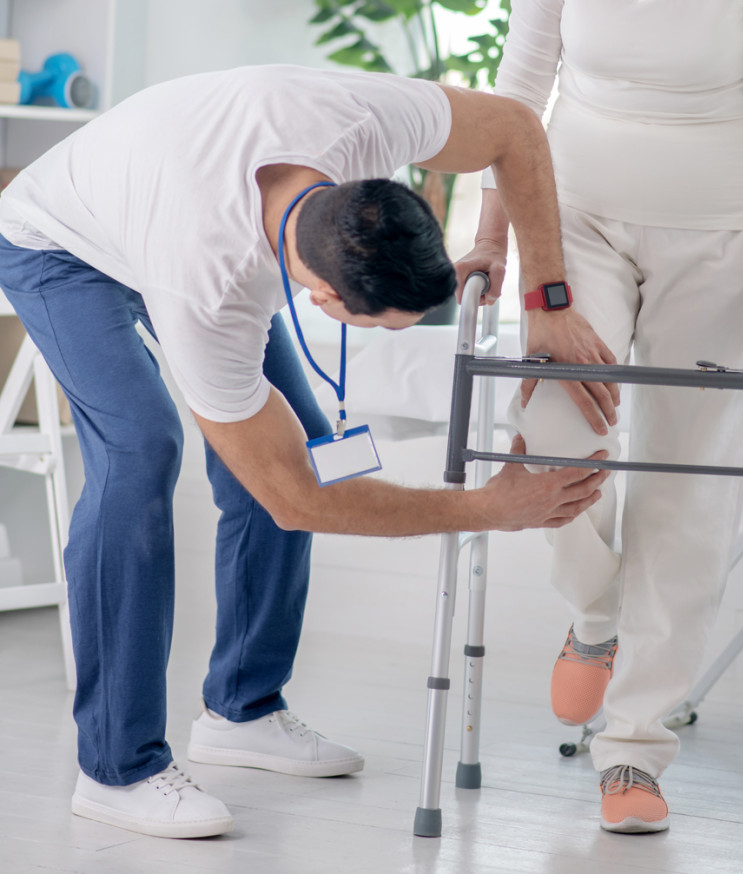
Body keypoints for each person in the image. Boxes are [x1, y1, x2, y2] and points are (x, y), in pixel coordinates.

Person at [0, 65, 614, 839]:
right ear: (325, 301)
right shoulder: (210, 287)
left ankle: (242, 710)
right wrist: (490, 508)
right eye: (388, 324)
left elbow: (517, 129)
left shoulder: (362, 120)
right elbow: (292, 497)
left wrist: (547, 300)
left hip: (149, 199)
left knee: (310, 440)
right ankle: (117, 768)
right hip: (58, 242)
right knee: (140, 451)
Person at [457, 0, 743, 835]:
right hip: (573, 218)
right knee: (554, 427)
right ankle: (598, 613)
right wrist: (492, 241)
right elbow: (518, 91)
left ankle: (633, 745)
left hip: (720, 236)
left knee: (684, 483)